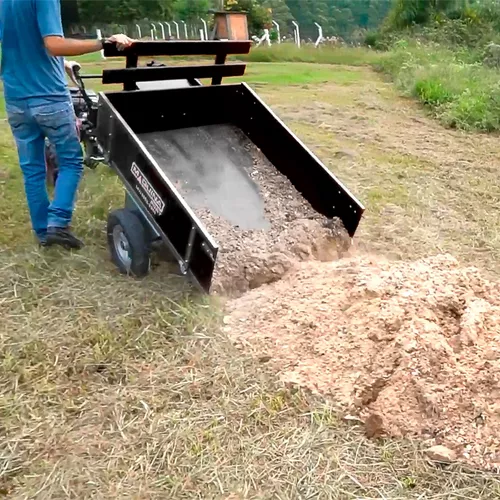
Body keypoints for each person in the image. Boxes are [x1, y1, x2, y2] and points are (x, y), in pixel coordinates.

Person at [0, 0, 134, 249]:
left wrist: (62, 65)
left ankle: (43, 233)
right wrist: (103, 42)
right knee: (71, 160)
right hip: (49, 98)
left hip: (16, 98)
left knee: (33, 170)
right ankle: (58, 223)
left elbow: (20, 46)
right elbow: (53, 44)